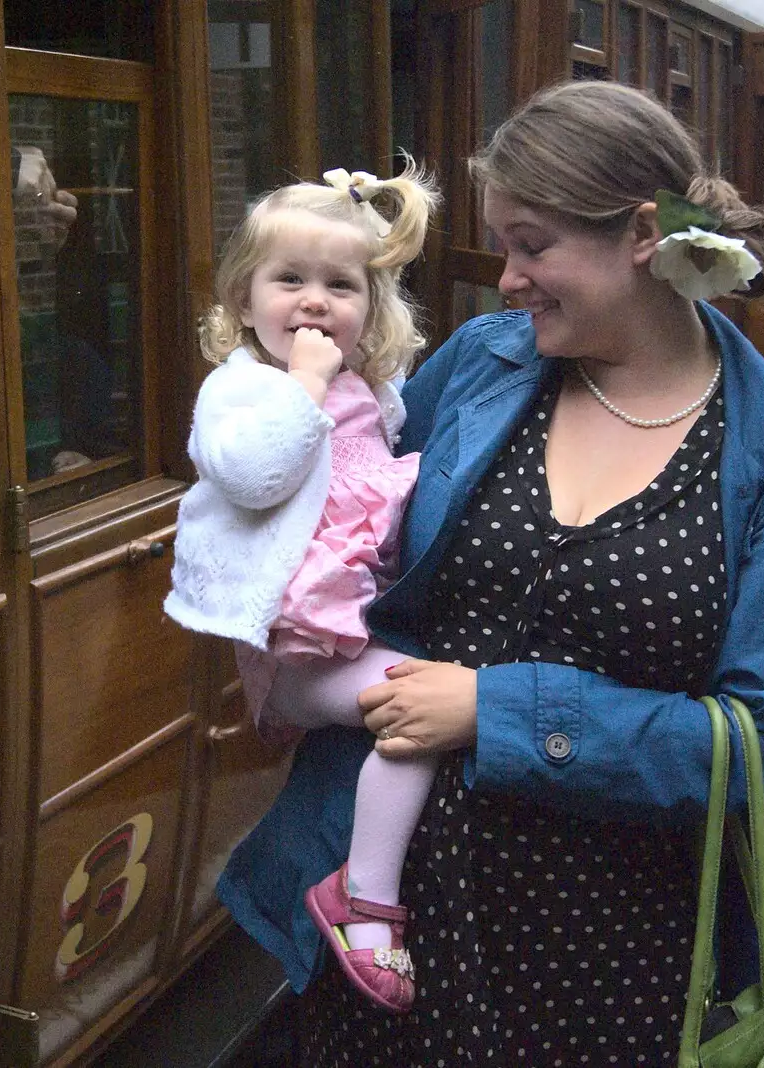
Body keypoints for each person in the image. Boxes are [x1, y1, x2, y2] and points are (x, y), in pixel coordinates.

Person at [217, 80, 764, 1066]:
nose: (508, 279)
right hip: (399, 927)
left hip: (620, 961)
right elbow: (343, 496)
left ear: (645, 234)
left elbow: (759, 738)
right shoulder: (485, 364)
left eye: (532, 245)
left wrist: (497, 710)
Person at [163, 162, 441, 1013]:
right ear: (244, 302)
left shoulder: (375, 391)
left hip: (345, 623)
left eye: (341, 285)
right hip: (294, 643)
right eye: (291, 280)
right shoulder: (240, 389)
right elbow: (251, 474)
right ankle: (364, 899)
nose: (315, 302)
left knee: (421, 701)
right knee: (417, 714)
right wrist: (306, 387)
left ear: (373, 309)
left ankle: (361, 885)